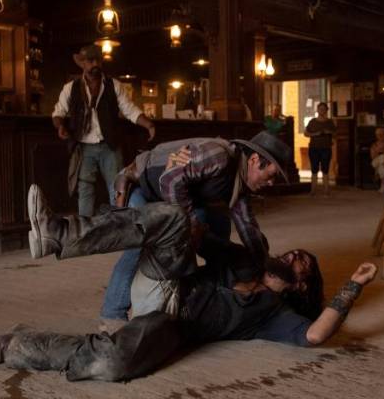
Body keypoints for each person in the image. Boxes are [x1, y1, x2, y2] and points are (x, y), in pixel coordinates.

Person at [0, 185, 378, 383]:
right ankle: (59, 233)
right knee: (175, 219)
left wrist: (352, 286)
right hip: (165, 280)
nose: (292, 257)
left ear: (301, 287)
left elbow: (315, 335)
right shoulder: (243, 262)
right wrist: (195, 222)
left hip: (170, 324)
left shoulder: (272, 314)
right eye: (293, 252)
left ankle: (16, 344)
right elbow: (198, 237)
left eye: (301, 264)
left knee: (115, 364)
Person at [100, 131, 291, 333]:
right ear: (254, 160)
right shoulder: (219, 156)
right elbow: (170, 181)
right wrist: (191, 225)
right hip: (139, 188)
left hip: (170, 199)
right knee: (141, 245)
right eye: (271, 175)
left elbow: (247, 226)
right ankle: (112, 315)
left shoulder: (238, 183)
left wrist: (264, 265)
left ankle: (204, 297)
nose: (271, 183)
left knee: (217, 232)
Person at [52, 45, 155, 217]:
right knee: (85, 189)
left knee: (118, 187)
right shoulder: (71, 88)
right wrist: (60, 126)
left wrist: (148, 124)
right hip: (83, 146)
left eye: (97, 60)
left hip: (110, 145)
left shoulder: (114, 85)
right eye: (90, 61)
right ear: (82, 64)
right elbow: (58, 112)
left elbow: (129, 110)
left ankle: (119, 229)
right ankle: (86, 231)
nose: (95, 65)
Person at [304, 102, 336, 196]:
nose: (322, 110)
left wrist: (328, 132)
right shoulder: (312, 121)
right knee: (314, 169)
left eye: (323, 109)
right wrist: (315, 134)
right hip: (314, 148)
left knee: (325, 169)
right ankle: (313, 190)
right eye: (320, 108)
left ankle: (326, 190)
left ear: (326, 110)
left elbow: (335, 134)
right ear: (317, 110)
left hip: (326, 148)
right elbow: (306, 133)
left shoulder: (330, 122)